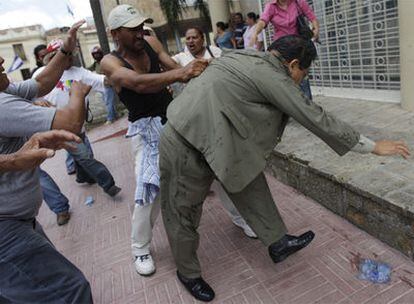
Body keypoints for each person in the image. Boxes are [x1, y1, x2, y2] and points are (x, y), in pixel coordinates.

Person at [158, 35, 410, 302]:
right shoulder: (273, 76)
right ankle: (188, 273)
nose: (303, 79)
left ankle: (277, 242)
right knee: (182, 210)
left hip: (220, 135)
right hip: (185, 139)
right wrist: (372, 146)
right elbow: (314, 116)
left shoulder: (246, 55)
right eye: (305, 72)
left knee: (248, 176)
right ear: (292, 64)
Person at [101, 4, 209, 277]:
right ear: (115, 33)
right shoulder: (109, 62)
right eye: (132, 29)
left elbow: (173, 66)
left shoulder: (150, 41)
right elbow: (137, 83)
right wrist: (181, 73)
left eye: (140, 27)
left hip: (173, 119)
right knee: (149, 193)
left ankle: (241, 219)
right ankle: (140, 248)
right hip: (146, 132)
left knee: (214, 165)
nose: (140, 33)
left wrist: (202, 72)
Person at [0, 20, 94, 303]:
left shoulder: (6, 94)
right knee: (70, 290)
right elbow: (71, 123)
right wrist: (77, 91)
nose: (2, 59)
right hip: (6, 229)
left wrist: (66, 49)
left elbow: (41, 82)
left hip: (18, 221)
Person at [171, 26, 257, 238]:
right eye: (187, 38)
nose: (191, 41)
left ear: (203, 39)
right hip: (191, 125)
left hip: (219, 120)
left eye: (194, 37)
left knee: (225, 173)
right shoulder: (178, 59)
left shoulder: (217, 54)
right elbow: (166, 70)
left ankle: (242, 218)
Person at [34, 40, 122, 198]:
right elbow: (27, 94)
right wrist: (36, 101)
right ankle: (109, 185)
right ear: (54, 56)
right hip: (58, 128)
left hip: (78, 126)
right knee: (85, 156)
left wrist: (124, 75)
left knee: (80, 156)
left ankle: (82, 176)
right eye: (64, 53)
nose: (69, 57)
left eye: (70, 53)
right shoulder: (42, 74)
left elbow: (103, 80)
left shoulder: (80, 72)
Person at [251, 0, 320, 100]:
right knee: (283, 77)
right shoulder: (271, 6)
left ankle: (307, 105)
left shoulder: (298, 2)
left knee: (302, 76)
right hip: (282, 49)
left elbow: (312, 17)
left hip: (299, 47)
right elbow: (263, 21)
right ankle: (287, 105)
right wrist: (255, 33)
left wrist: (316, 30)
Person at [88, 46, 118, 124]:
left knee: (108, 101)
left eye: (97, 54)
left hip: (108, 84)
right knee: (108, 101)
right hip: (101, 85)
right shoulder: (95, 64)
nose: (96, 56)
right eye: (94, 54)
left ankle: (110, 118)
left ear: (101, 54)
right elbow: (88, 69)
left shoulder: (105, 61)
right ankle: (115, 116)